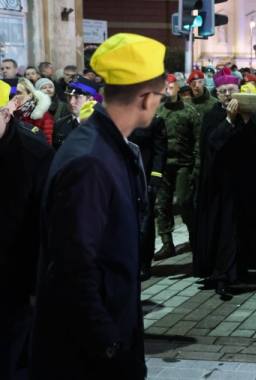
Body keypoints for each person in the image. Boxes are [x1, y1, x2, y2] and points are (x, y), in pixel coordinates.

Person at [31, 33, 167, 380]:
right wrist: (111, 349)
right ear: (146, 98)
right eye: (161, 97)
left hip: (100, 338)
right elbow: (72, 270)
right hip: (84, 357)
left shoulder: (106, 147)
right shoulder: (92, 161)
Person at [193, 71, 256, 298]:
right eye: (223, 92)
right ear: (217, 94)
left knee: (243, 226)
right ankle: (222, 275)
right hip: (220, 184)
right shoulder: (212, 116)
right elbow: (212, 142)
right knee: (224, 228)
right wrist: (229, 121)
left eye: (231, 91)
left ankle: (240, 268)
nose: (227, 95)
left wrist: (244, 122)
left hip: (243, 182)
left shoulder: (248, 115)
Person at [0, 80, 54, 380]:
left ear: (7, 112)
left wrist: (37, 288)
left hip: (16, 285)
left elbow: (46, 228)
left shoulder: (35, 155)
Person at [153, 74, 201, 259]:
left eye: (170, 86)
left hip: (184, 164)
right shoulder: (158, 111)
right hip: (163, 165)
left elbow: (197, 140)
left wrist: (196, 165)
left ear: (177, 87)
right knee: (163, 204)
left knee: (184, 202)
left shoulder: (188, 112)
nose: (167, 90)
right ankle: (166, 243)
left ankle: (194, 238)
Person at [128, 113, 167, 281]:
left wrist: (155, 179)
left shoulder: (154, 120)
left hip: (144, 178)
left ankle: (144, 262)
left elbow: (160, 151)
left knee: (145, 222)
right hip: (123, 176)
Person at [52, 75, 99, 150]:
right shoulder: (60, 124)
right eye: (69, 96)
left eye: (77, 97)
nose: (71, 102)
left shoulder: (99, 125)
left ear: (90, 99)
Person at [13, 77, 54, 144]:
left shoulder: (43, 116)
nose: (14, 96)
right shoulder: (8, 114)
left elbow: (47, 146)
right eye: (12, 93)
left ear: (30, 95)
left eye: (18, 93)